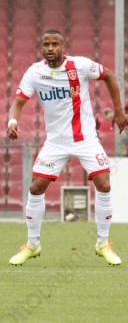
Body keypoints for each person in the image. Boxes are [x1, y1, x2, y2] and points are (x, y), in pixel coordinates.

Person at [7, 29, 127, 266]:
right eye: (46, 44)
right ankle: (32, 244)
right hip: (56, 142)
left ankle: (103, 243)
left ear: (63, 47)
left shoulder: (79, 65)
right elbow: (18, 102)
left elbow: (109, 76)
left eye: (55, 44)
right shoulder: (35, 72)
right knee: (36, 187)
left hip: (85, 139)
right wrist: (12, 122)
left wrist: (119, 110)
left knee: (104, 183)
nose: (50, 48)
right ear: (42, 48)